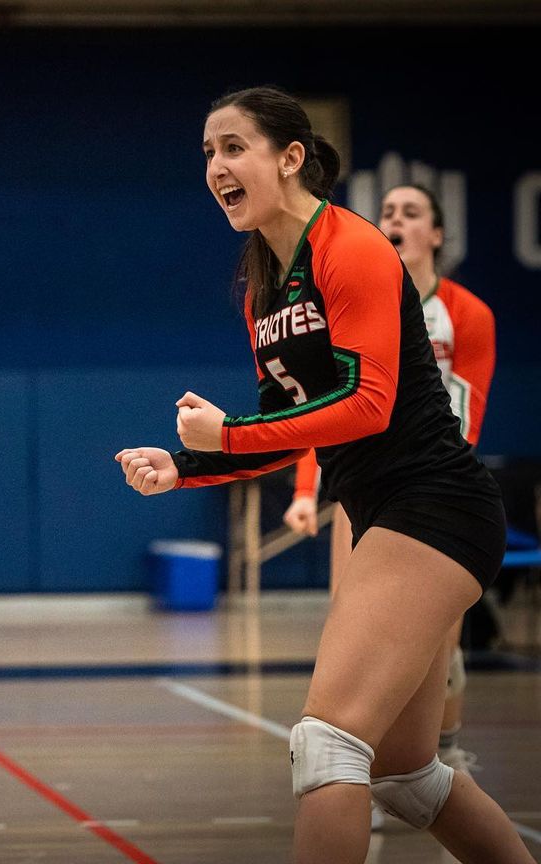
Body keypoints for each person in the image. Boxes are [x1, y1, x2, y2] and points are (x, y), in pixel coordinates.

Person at [115, 86, 532, 864]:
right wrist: (184, 465)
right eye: (207, 152)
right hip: (385, 509)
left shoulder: (354, 246)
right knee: (407, 775)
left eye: (233, 147)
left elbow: (369, 405)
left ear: (291, 157)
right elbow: (287, 431)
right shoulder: (264, 284)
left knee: (327, 744)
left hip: (434, 505)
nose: (216, 166)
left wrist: (229, 430)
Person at [284, 183, 497, 782]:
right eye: (387, 212)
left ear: (435, 235)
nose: (396, 221)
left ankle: (438, 755)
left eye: (411, 213)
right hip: (360, 486)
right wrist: (306, 490)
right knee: (350, 629)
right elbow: (315, 406)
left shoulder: (468, 313)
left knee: (439, 649)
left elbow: (468, 412)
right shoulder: (353, 290)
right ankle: (362, 773)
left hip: (431, 487)